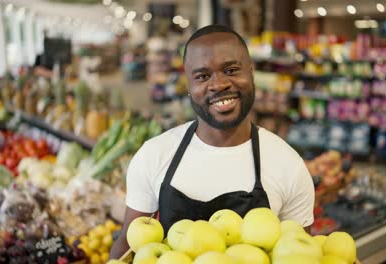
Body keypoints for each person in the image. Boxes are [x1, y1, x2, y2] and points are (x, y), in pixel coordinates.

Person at [109, 25, 315, 258]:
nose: (218, 84)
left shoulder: (287, 164)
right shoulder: (154, 155)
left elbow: (301, 255)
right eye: (202, 76)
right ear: (188, 86)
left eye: (231, 70)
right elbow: (127, 247)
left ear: (251, 73)